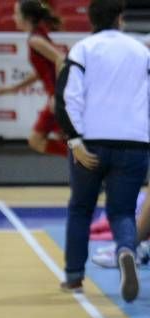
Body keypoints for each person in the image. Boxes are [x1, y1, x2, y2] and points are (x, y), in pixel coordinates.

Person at [56, 0, 150, 301]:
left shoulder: (83, 49)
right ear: (120, 18)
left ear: (90, 18)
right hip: (134, 144)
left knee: (81, 208)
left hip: (92, 142)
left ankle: (73, 277)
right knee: (122, 211)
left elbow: (66, 97)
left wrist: (75, 139)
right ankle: (126, 251)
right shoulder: (142, 51)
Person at [0, 0, 67, 157]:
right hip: (60, 97)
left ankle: (91, 164)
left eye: (16, 13)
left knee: (36, 140)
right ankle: (88, 167)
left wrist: (57, 95)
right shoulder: (38, 35)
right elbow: (43, 72)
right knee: (66, 140)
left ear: (27, 18)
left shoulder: (35, 40)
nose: (13, 17)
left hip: (59, 98)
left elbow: (61, 59)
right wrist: (11, 89)